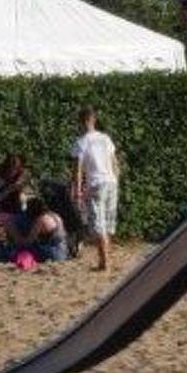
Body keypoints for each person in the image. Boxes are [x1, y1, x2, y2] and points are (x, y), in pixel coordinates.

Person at [71, 107, 119, 273]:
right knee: (108, 222)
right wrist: (115, 181)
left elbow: (77, 170)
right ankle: (106, 259)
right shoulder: (106, 138)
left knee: (98, 224)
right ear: (94, 120)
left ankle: (104, 263)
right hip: (111, 182)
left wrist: (77, 190)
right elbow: (115, 163)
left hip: (96, 184)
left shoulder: (81, 142)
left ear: (81, 122)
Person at [0, 196, 69, 267]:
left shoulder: (41, 220)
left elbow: (27, 243)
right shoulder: (55, 216)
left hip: (50, 255)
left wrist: (15, 234)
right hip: (62, 252)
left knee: (14, 252)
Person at [0, 153, 31, 217]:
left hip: (16, 213)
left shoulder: (20, 175)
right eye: (11, 168)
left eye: (18, 168)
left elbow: (22, 195)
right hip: (0, 212)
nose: (14, 171)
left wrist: (20, 189)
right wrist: (8, 190)